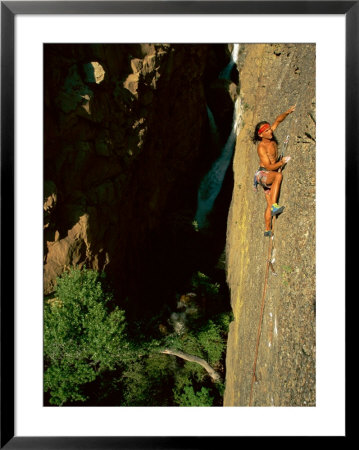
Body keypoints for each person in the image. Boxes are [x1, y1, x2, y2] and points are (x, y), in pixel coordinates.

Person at [253, 105, 295, 237]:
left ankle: (267, 229)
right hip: (263, 174)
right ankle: (275, 207)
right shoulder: (261, 147)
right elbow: (269, 167)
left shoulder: (270, 135)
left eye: (270, 129)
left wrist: (287, 112)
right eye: (266, 131)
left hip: (267, 174)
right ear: (260, 135)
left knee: (269, 202)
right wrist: (281, 162)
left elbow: (278, 120)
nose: (270, 132)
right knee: (278, 176)